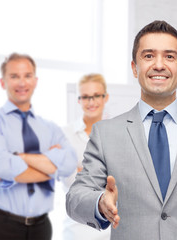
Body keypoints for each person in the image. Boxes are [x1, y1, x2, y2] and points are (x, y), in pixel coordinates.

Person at [66, 20, 177, 240]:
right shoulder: (106, 133)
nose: (159, 65)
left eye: (169, 56)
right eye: (148, 56)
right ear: (134, 67)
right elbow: (75, 197)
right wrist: (99, 203)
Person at [0, 53, 77, 240]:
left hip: (41, 228)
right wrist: (51, 165)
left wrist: (20, 157)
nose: (22, 83)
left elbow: (70, 164)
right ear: (2, 82)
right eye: (14, 76)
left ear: (35, 80)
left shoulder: (50, 128)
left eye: (27, 75)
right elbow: (0, 166)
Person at [62, 73, 110, 240]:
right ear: (78, 100)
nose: (91, 102)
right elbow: (70, 180)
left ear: (106, 97)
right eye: (85, 97)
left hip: (113, 231)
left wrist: (83, 169)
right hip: (77, 231)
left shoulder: (117, 132)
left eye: (96, 96)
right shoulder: (65, 135)